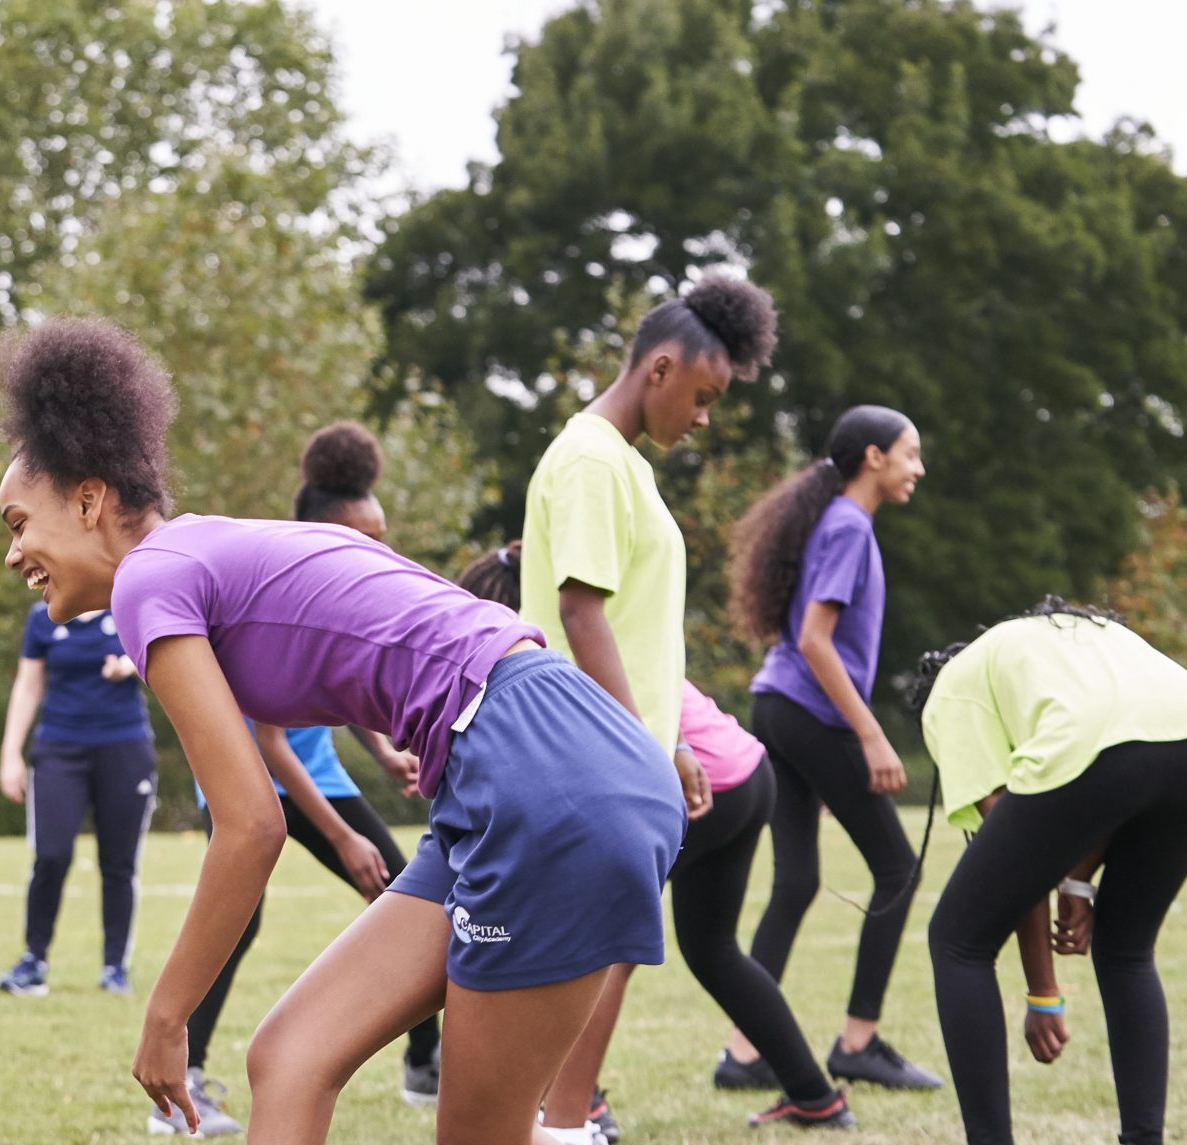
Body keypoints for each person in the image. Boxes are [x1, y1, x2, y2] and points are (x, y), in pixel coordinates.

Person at [0, 316, 681, 1145]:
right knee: (291, 1054)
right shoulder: (204, 551)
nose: (13, 552)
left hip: (539, 766)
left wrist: (168, 1013)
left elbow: (250, 824)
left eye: (17, 522)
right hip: (526, 756)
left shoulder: (148, 579)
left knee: (478, 1136)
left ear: (90, 498)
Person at [458, 544, 858, 1131]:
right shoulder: (607, 643)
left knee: (605, 946)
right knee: (714, 952)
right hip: (746, 774)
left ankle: (578, 1106)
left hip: (695, 784)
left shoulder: (551, 659)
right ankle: (814, 1097)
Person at [522, 277, 780, 1143]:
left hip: (614, 745)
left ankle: (560, 1118)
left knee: (606, 944)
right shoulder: (594, 458)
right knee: (596, 946)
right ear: (660, 368)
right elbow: (581, 612)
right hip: (591, 748)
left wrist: (670, 738)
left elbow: (629, 624)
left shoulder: (619, 461)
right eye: (703, 397)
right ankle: (559, 1124)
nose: (704, 417)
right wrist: (645, 748)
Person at [166, 423, 438, 1137]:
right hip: (257, 779)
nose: (380, 552)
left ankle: (426, 1061)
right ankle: (182, 1084)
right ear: (323, 531)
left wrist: (381, 752)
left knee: (413, 896)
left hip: (316, 774)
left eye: (384, 536)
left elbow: (341, 687)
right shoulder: (277, 586)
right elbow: (270, 743)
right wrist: (345, 836)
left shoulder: (343, 580)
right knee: (240, 922)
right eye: (366, 536)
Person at [914, 600, 1187, 1145]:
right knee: (1128, 950)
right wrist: (1079, 883)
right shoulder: (1074, 639)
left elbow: (1015, 855)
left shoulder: (953, 691)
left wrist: (1044, 994)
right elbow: (1119, 757)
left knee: (956, 940)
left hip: (1097, 748)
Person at [727, 404, 942, 1091]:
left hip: (780, 707)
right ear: (874, 457)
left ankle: (744, 1052)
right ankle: (859, 1040)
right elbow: (817, 641)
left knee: (795, 881)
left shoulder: (837, 521)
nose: (919, 467)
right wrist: (870, 735)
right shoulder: (849, 525)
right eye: (910, 453)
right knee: (899, 869)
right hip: (807, 711)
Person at [0, 569, 157, 999]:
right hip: (59, 749)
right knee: (50, 855)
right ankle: (33, 962)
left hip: (124, 747)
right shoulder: (43, 618)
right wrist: (11, 753)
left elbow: (167, 658)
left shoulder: (128, 610)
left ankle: (115, 967)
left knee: (119, 863)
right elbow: (28, 687)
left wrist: (132, 665)